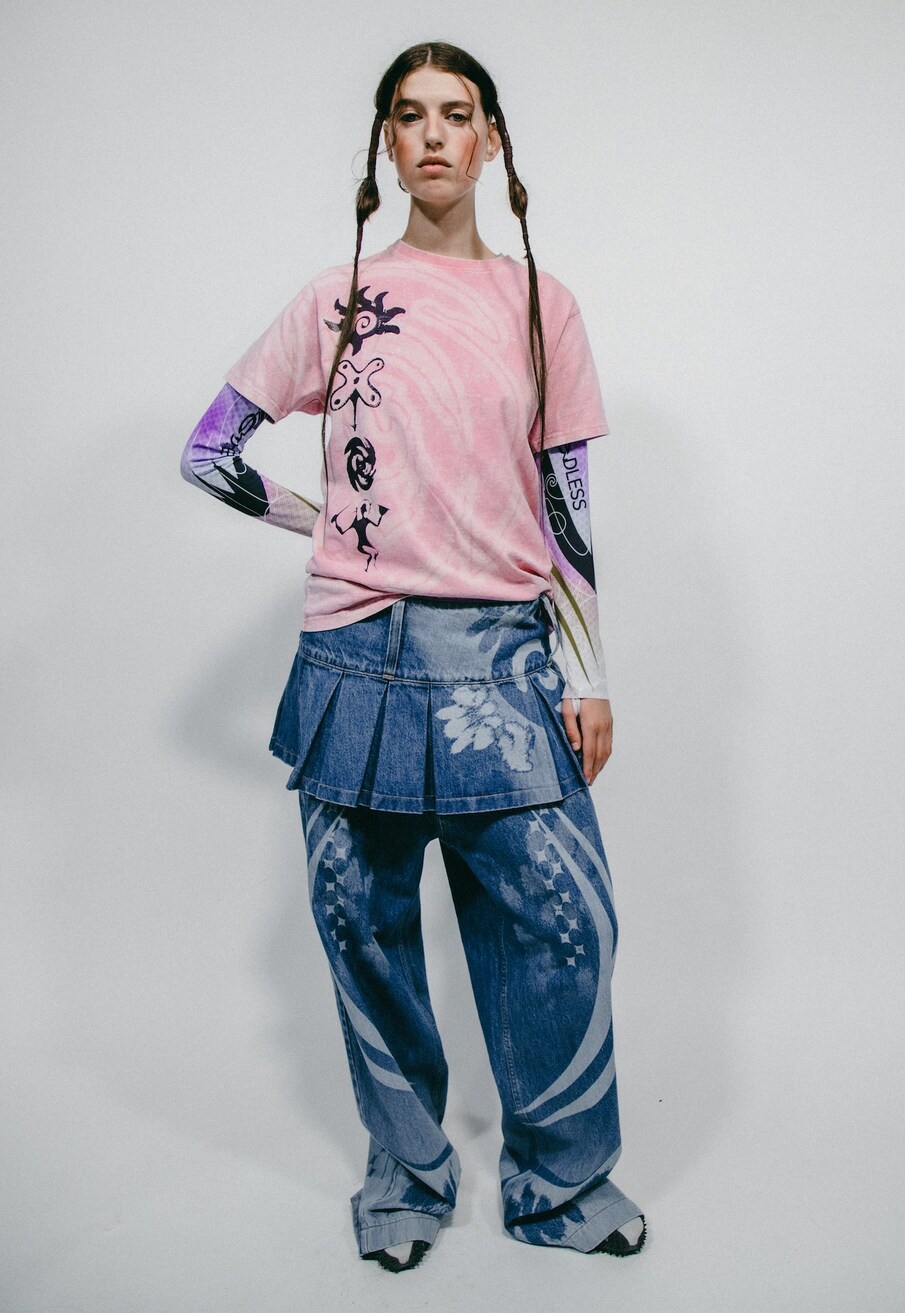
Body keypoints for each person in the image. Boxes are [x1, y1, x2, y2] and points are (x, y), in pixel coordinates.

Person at [181, 41, 645, 1274]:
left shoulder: (544, 305)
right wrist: (328, 523)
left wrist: (589, 673)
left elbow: (567, 504)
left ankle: (561, 1180)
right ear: (386, 143)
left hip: (503, 658)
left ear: (491, 141)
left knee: (567, 922)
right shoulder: (335, 299)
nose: (434, 134)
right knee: (365, 928)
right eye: (410, 114)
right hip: (357, 655)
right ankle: (407, 1177)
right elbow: (208, 451)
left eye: (457, 113)